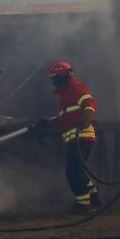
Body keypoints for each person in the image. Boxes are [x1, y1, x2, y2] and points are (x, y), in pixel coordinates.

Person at [48, 60, 101, 213]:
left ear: (62, 77)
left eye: (55, 79)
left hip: (81, 137)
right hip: (75, 139)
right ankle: (94, 198)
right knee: (78, 170)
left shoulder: (75, 88)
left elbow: (89, 103)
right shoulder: (66, 94)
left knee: (72, 172)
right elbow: (67, 117)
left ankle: (83, 203)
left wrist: (87, 117)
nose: (54, 82)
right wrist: (49, 123)